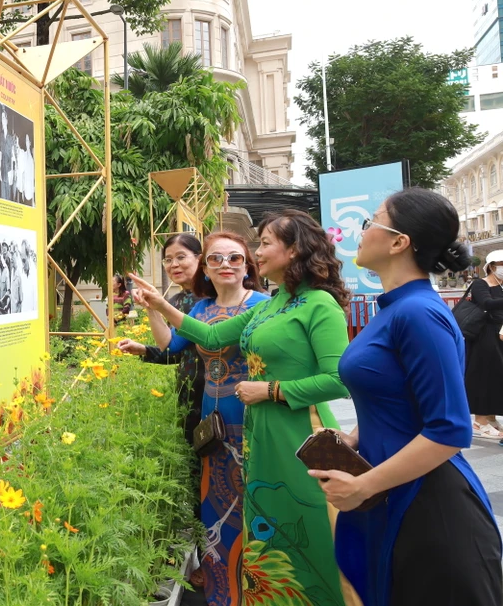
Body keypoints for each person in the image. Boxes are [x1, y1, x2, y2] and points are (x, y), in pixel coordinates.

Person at [130, 210, 356, 606]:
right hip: (259, 433)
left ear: (295, 250)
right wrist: (158, 304)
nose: (257, 252)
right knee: (267, 530)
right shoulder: (274, 303)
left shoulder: (319, 304)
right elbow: (212, 334)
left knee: (307, 526)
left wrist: (269, 390)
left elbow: (339, 379)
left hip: (299, 433)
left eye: (265, 243)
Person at [311, 189, 501, 606]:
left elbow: (449, 429)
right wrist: (356, 438)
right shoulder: (397, 309)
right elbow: (397, 394)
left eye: (372, 221)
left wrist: (363, 485)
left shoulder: (419, 313)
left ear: (399, 242)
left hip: (427, 507)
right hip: (393, 487)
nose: (361, 233)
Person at [156, 233, 268, 605]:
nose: (225, 265)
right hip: (212, 415)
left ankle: (261, 589)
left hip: (253, 412)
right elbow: (169, 347)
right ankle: (223, 592)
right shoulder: (200, 309)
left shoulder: (265, 305)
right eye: (216, 259)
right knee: (215, 503)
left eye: (234, 258)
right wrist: (152, 307)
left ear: (247, 265)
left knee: (257, 498)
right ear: (206, 268)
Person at [117, 234, 206, 445]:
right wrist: (144, 349)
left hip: (214, 393)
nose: (174, 264)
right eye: (168, 259)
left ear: (200, 259)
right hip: (188, 395)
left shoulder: (213, 298)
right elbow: (176, 351)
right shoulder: (176, 300)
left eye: (181, 257)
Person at [464, 248, 503, 438]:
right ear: (492, 267)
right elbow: (486, 304)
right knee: (484, 376)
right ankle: (479, 422)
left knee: (497, 376)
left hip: (501, 333)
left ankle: (491, 417)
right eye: (502, 265)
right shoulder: (481, 284)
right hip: (485, 335)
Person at [0, 109, 18, 202]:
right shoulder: (0, 136)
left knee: (9, 195)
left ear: (6, 120)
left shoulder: (11, 138)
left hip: (9, 168)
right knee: (3, 194)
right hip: (2, 168)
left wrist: (13, 171)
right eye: (1, 118)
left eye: (4, 118)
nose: (3, 120)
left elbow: (13, 156)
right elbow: (0, 153)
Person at [20, 132, 35, 207]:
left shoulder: (33, 155)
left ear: (30, 142)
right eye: (26, 140)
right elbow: (22, 173)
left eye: (28, 140)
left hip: (33, 185)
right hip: (26, 185)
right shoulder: (24, 155)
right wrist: (22, 190)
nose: (27, 142)